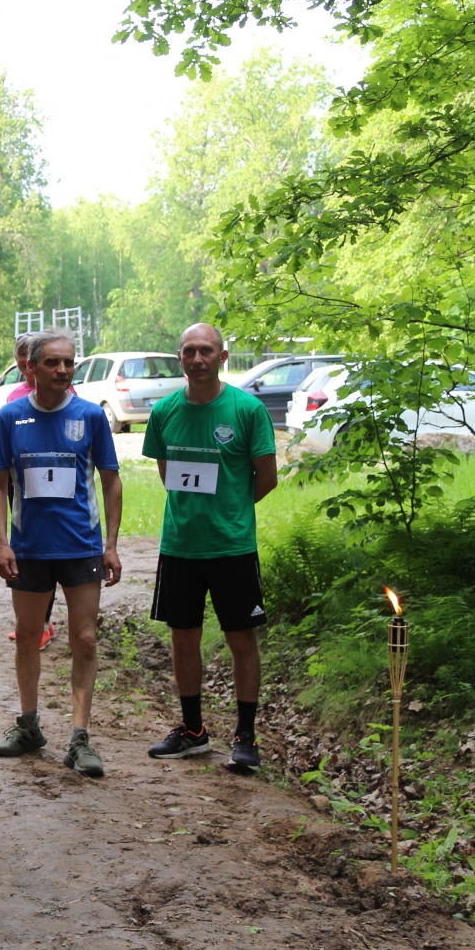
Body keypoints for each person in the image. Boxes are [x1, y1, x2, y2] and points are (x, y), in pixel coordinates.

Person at [0, 328, 123, 776]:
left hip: (81, 546)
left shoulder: (91, 416)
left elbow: (111, 479)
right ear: (31, 368)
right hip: (28, 548)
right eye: (53, 363)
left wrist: (112, 544)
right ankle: (29, 725)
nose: (63, 370)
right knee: (28, 636)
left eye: (69, 363)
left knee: (85, 639)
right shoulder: (11, 417)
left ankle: (80, 737)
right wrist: (2, 542)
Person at [143, 323, 277, 772]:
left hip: (232, 546)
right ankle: (193, 731)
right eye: (189, 351)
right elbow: (167, 474)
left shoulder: (247, 409)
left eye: (207, 351)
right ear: (179, 357)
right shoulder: (163, 411)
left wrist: (231, 509)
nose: (198, 358)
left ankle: (245, 735)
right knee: (183, 638)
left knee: (242, 638)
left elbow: (267, 477)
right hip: (180, 545)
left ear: (222, 357)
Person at [4, 334, 59, 649]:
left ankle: (43, 623)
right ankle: (32, 620)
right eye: (21, 356)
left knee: (51, 553)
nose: (26, 362)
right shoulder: (14, 397)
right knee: (27, 551)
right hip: (20, 485)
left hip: (54, 485)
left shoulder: (64, 391)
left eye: (31, 355)